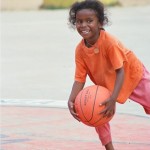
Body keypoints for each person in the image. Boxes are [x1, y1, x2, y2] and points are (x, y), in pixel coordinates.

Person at [67, 0, 150, 149]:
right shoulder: (80, 50)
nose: (83, 25)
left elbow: (120, 71)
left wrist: (113, 99)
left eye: (89, 20)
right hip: (107, 83)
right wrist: (71, 100)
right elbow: (79, 79)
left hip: (133, 77)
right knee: (95, 109)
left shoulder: (110, 43)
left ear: (100, 23)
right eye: (79, 21)